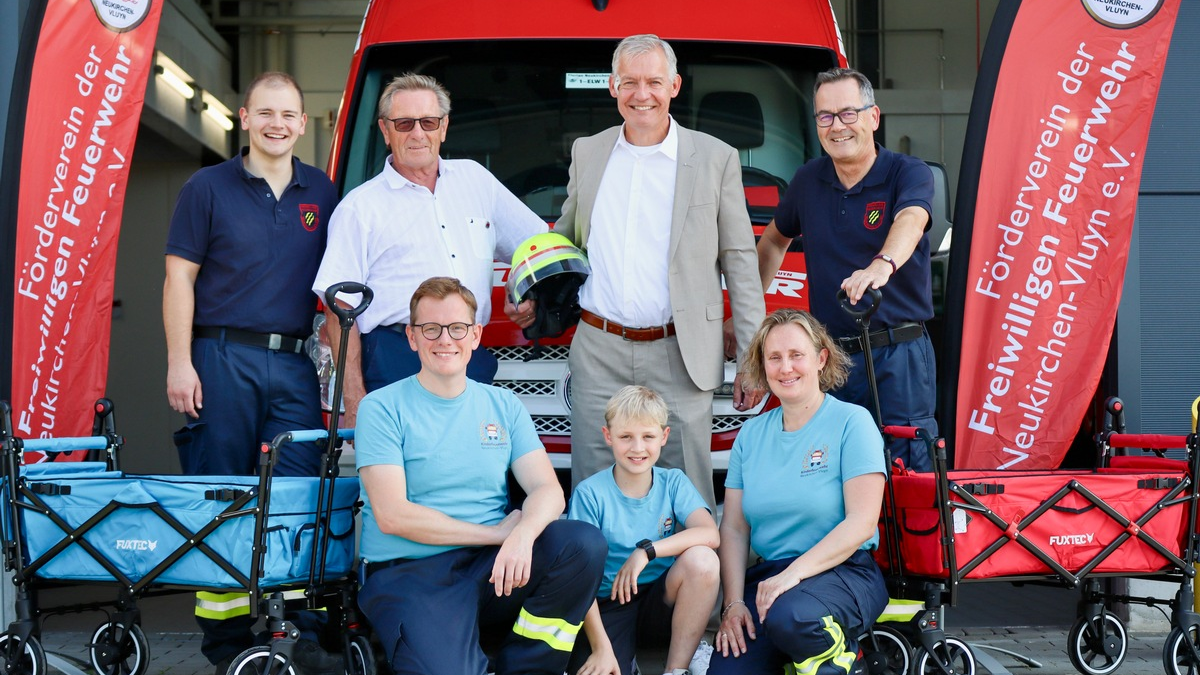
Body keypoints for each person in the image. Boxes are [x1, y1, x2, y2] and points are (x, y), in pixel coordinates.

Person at [162, 71, 341, 674]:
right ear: (244, 118)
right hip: (219, 357)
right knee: (223, 498)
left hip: (293, 364)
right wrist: (179, 361)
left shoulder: (324, 191)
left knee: (294, 498)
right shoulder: (206, 187)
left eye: (288, 115)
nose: (277, 125)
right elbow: (178, 279)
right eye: (265, 113)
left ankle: (294, 635)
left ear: (302, 122)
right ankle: (226, 646)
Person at [354, 276, 606, 675]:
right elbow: (392, 515)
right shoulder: (381, 408)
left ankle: (526, 667)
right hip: (413, 572)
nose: (444, 340)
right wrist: (498, 534)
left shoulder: (502, 404)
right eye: (430, 329)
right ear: (412, 337)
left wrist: (522, 535)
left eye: (456, 328)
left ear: (475, 336)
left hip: (493, 566)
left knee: (582, 544)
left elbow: (547, 490)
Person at [556, 34, 766, 509]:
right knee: (593, 491)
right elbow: (565, 240)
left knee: (686, 491)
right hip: (598, 350)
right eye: (629, 82)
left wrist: (753, 358)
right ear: (612, 86)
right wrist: (528, 289)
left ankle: (690, 585)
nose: (641, 94)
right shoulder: (588, 152)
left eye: (653, 81)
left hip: (680, 351)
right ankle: (598, 585)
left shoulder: (715, 158)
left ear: (674, 85)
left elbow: (740, 262)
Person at [313, 73, 546, 425]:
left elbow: (537, 244)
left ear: (444, 127)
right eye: (404, 123)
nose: (418, 133)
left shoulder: (476, 180)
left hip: (469, 358)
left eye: (428, 122)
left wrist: (520, 288)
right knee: (403, 475)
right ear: (385, 131)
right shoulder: (359, 208)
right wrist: (354, 399)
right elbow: (339, 311)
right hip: (397, 360)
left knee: (471, 469)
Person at [752, 67, 937, 472]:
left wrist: (881, 265)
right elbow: (772, 242)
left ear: (873, 117)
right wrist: (748, 314)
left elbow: (911, 219)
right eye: (825, 116)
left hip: (898, 353)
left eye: (849, 113)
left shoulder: (907, 172)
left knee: (906, 467)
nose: (837, 126)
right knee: (832, 467)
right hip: (830, 357)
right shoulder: (807, 180)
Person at [709, 308, 888, 675]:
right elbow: (734, 528)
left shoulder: (852, 423)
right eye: (774, 357)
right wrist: (732, 603)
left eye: (796, 355)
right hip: (770, 581)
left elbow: (861, 522)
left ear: (821, 359)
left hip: (843, 572)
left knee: (792, 616)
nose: (785, 367)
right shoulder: (751, 436)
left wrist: (794, 575)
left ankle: (848, 663)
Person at [566, 386, 720, 675]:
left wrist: (646, 551)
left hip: (662, 601)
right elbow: (578, 576)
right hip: (607, 604)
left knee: (703, 559)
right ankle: (621, 655)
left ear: (663, 437)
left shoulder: (673, 482)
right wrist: (601, 648)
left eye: (648, 436)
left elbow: (710, 533)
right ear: (608, 436)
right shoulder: (590, 493)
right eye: (626, 437)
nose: (637, 448)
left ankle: (677, 668)